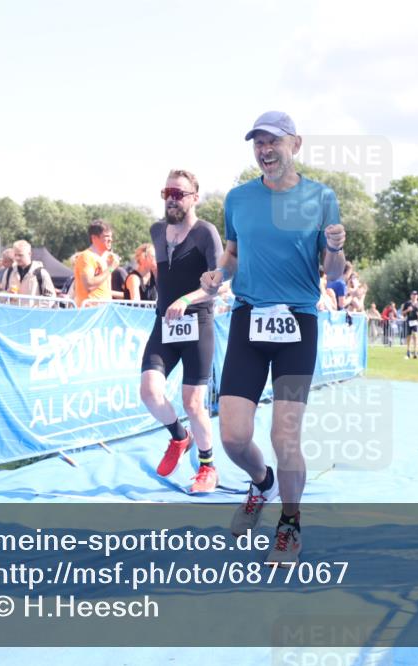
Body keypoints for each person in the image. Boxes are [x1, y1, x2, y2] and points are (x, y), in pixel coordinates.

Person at [200, 111, 346, 563]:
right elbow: (233, 252)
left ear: (295, 145)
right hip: (247, 320)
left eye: (273, 141)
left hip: (298, 322)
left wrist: (338, 249)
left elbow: (335, 276)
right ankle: (261, 482)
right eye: (258, 142)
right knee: (233, 437)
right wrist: (219, 273)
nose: (265, 149)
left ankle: (289, 523)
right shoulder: (238, 199)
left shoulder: (321, 198)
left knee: (285, 437)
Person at [141, 169, 224, 493]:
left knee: (193, 403)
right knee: (149, 391)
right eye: (167, 193)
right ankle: (179, 437)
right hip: (165, 323)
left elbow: (217, 283)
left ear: (194, 198)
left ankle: (207, 467)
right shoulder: (157, 231)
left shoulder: (206, 233)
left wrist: (187, 299)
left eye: (179, 194)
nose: (172, 199)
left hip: (197, 323)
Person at [73, 220, 121, 307]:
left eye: (111, 236)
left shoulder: (107, 258)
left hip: (104, 312)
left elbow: (104, 290)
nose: (111, 239)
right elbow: (89, 286)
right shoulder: (86, 257)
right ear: (94, 238)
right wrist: (111, 268)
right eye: (106, 236)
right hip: (90, 312)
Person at [1, 240, 56, 307]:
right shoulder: (9, 272)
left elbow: (51, 297)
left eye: (20, 255)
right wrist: (7, 294)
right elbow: (0, 296)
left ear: (29, 254)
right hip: (13, 314)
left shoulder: (41, 273)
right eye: (15, 255)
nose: (17, 258)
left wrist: (36, 309)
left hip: (33, 316)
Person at [401, 290, 418, 359]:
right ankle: (408, 351)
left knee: (415, 335)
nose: (414, 296)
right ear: (411, 296)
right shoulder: (407, 303)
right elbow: (402, 313)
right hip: (409, 321)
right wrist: (407, 310)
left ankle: (415, 352)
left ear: (417, 296)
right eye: (413, 294)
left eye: (416, 295)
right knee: (409, 336)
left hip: (416, 321)